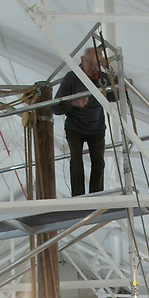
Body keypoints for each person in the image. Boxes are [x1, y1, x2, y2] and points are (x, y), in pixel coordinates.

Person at [52, 47, 115, 196]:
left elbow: (118, 94)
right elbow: (55, 107)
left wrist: (110, 68)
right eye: (91, 64)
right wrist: (72, 103)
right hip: (75, 128)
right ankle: (78, 196)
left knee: (99, 162)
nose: (93, 68)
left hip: (97, 127)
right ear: (82, 60)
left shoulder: (103, 78)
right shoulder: (71, 78)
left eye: (97, 65)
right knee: (76, 161)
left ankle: (96, 195)